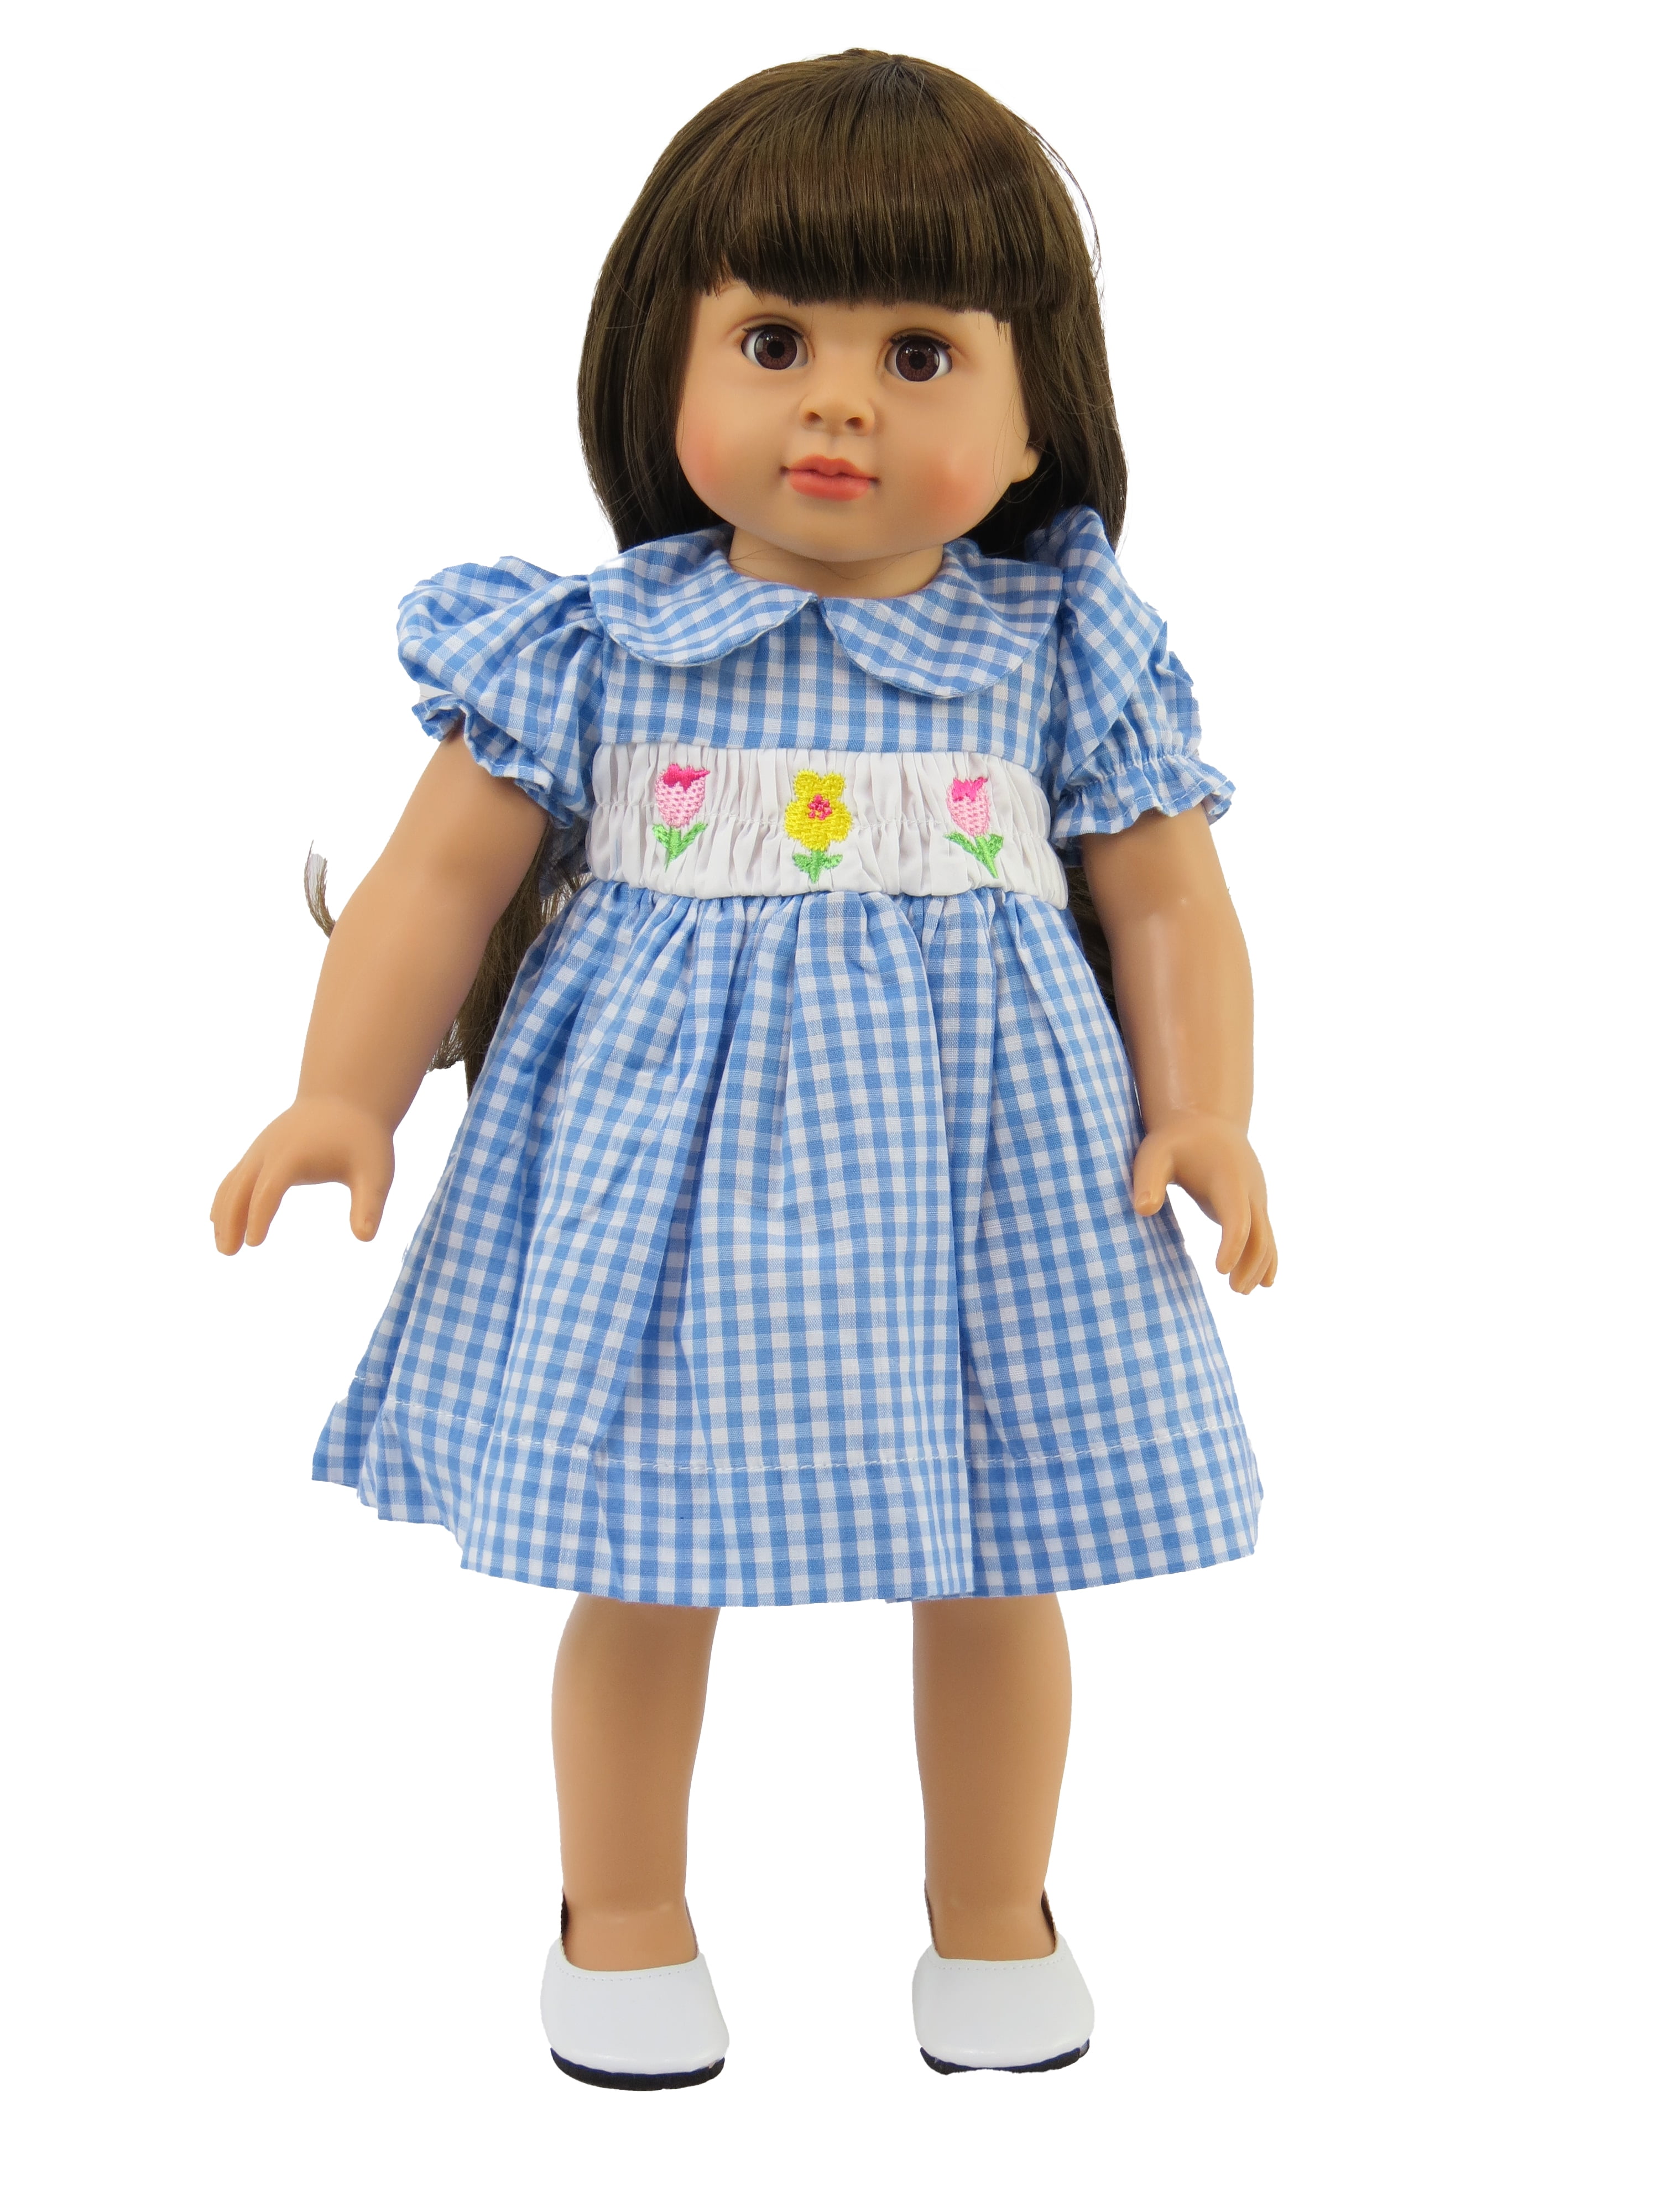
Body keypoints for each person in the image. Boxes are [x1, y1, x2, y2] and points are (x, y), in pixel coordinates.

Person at [211, 49, 1276, 2088]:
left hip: (988, 1174)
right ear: (666, 363)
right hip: (665, 1169)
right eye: (777, 341)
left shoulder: (1059, 649)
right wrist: (345, 1088)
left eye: (919, 353)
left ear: (1035, 407)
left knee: (1002, 1554)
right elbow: (439, 880)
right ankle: (620, 1915)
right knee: (641, 1553)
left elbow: (1168, 898)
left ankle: (994, 1910)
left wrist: (1205, 1109)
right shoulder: (594, 645)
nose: (840, 403)